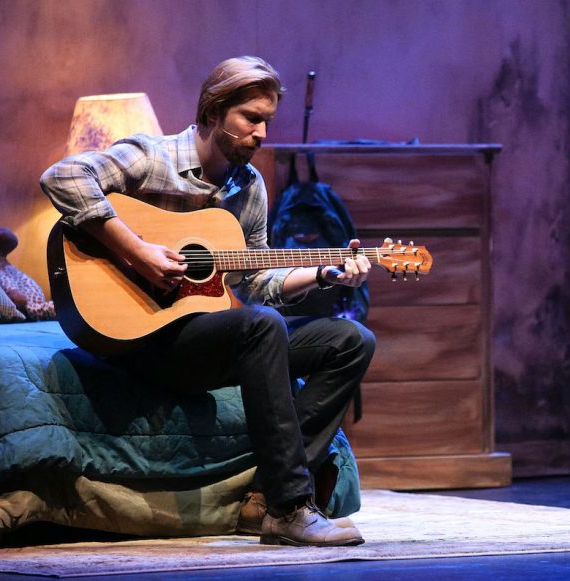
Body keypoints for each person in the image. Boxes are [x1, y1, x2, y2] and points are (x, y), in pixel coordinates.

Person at [40, 56, 375, 546]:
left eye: (267, 122)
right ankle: (292, 507)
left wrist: (325, 274)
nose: (261, 133)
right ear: (215, 112)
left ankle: (263, 499)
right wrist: (137, 251)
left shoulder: (249, 187)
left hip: (206, 337)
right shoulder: (152, 158)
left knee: (350, 340)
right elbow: (62, 177)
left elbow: (259, 281)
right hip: (142, 339)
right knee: (260, 327)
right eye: (251, 119)